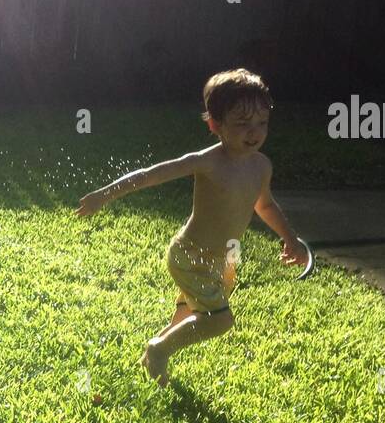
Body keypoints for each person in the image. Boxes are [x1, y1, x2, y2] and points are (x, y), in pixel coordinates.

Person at [76, 69, 303, 385]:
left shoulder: (261, 166)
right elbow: (152, 174)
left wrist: (290, 238)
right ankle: (159, 349)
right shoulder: (207, 161)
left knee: (189, 311)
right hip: (190, 255)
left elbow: (264, 205)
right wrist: (105, 194)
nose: (254, 132)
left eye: (261, 123)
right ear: (215, 125)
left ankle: (151, 357)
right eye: (242, 123)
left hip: (222, 262)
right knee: (219, 320)